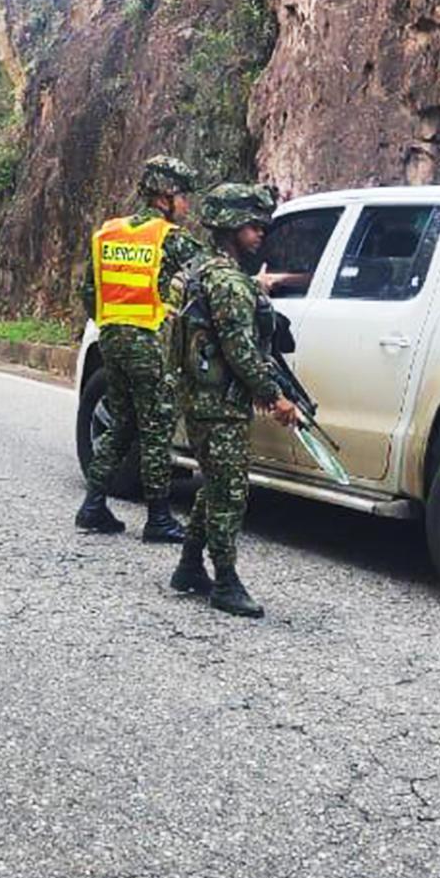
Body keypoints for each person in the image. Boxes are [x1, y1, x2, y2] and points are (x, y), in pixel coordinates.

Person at [169, 183, 300, 618]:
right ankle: (225, 581)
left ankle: (189, 567)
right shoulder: (226, 282)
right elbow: (241, 350)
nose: (260, 231)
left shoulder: (206, 270)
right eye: (251, 224)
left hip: (204, 397)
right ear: (229, 227)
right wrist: (275, 397)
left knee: (214, 483)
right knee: (229, 491)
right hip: (218, 403)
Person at [76, 155, 207, 540]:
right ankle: (159, 518)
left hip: (112, 339)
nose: (187, 205)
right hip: (150, 341)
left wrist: (112, 324)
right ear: (166, 196)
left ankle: (93, 504)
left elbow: (88, 291)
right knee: (156, 428)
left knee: (123, 421)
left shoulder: (110, 232)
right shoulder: (170, 237)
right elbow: (211, 273)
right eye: (184, 197)